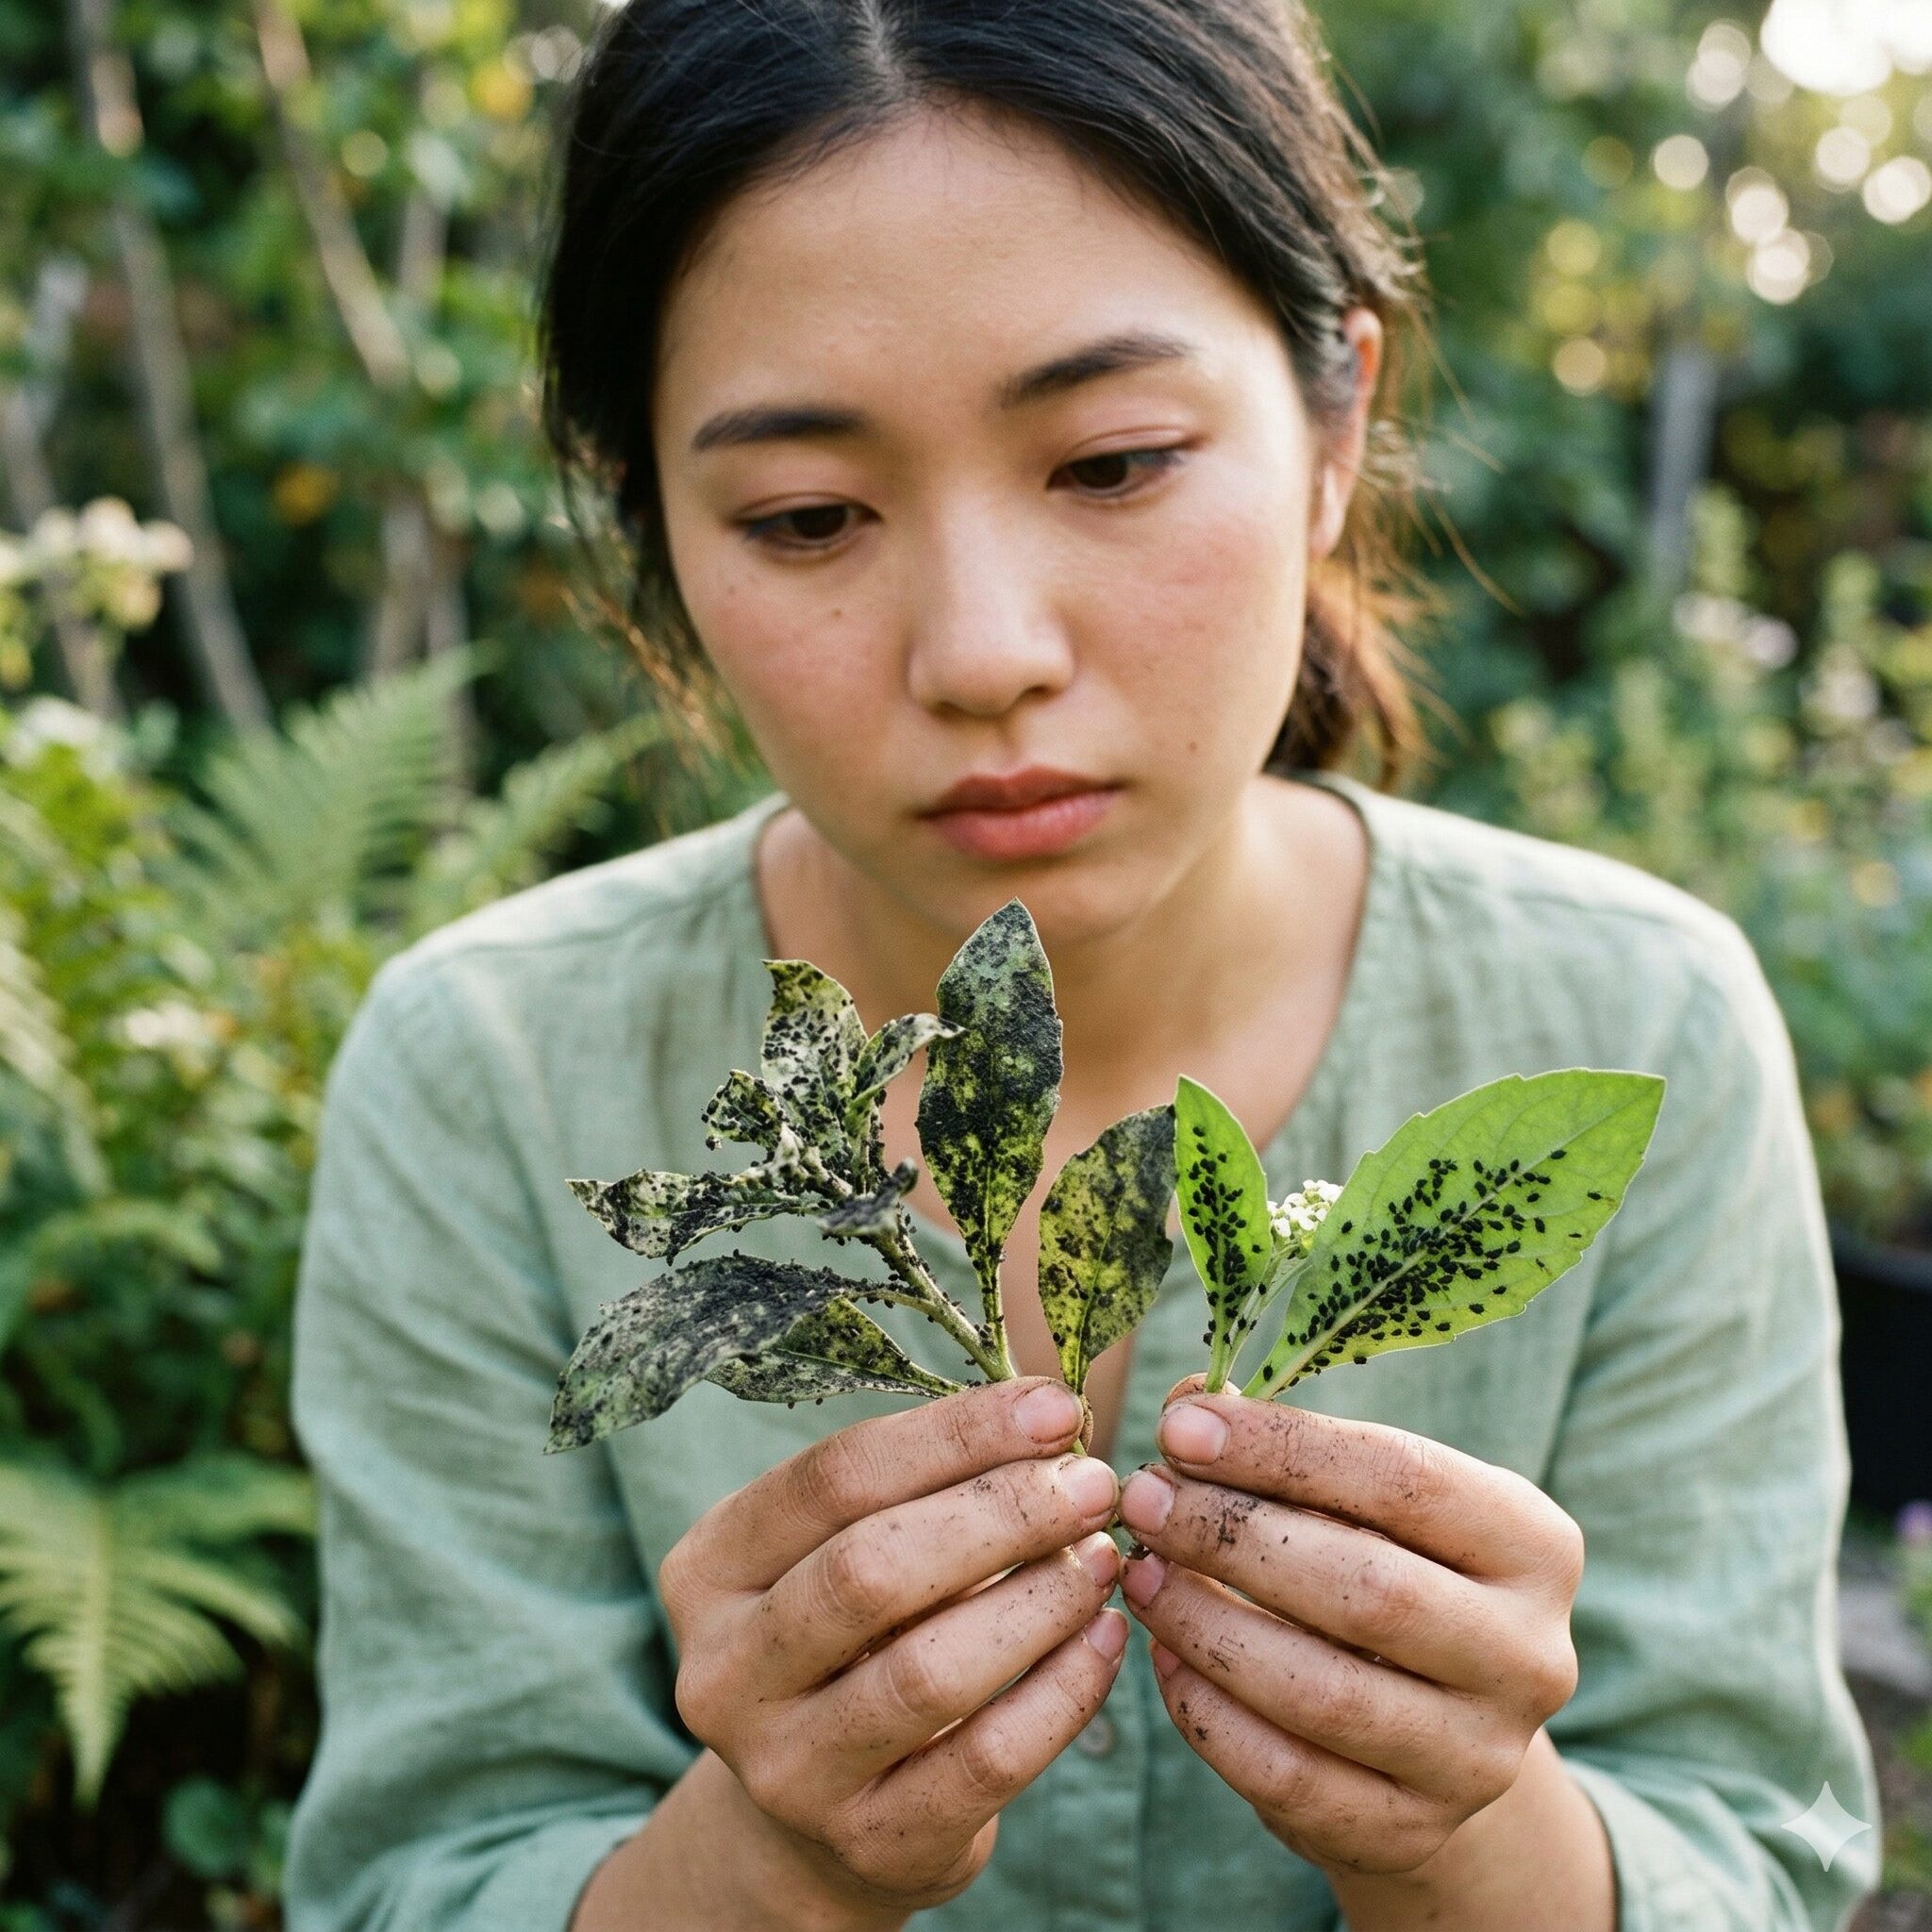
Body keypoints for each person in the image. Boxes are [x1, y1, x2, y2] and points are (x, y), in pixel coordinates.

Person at [279, 3, 1881, 1928]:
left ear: (1333, 429)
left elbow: (1748, 1847)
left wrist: (1460, 1826)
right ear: (657, 534)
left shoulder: (1631, 1032)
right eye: (806, 518)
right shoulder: (492, 1075)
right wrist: (769, 1855)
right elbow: (424, 1873)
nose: (980, 648)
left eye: (1112, 462)